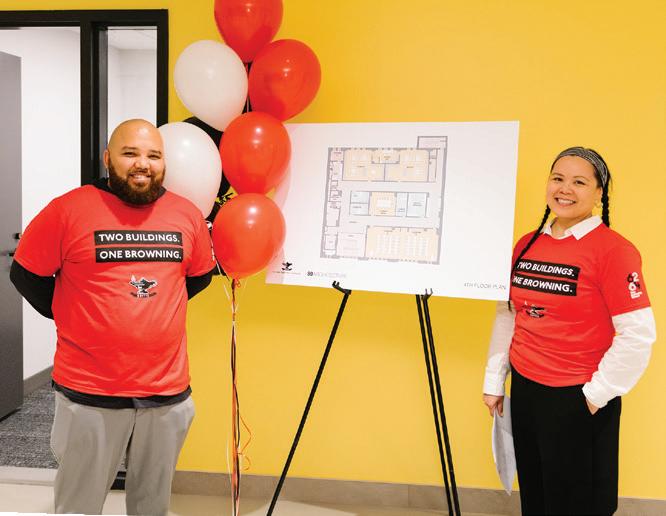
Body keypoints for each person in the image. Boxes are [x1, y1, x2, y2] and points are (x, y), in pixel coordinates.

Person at [10, 119, 216, 515]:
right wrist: (72, 313)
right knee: (79, 506)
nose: (143, 163)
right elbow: (25, 274)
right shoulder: (68, 210)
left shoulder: (186, 214)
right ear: (108, 158)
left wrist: (150, 313)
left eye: (153, 155)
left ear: (164, 162)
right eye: (130, 153)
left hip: (166, 393)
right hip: (90, 391)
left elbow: (197, 278)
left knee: (152, 506)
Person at [482, 147, 656, 515]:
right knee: (537, 496)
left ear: (599, 193)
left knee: (578, 504)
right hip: (526, 390)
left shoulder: (615, 251)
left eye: (579, 182)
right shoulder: (527, 244)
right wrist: (494, 380)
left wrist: (595, 395)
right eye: (558, 178)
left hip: (577, 396)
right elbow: (508, 313)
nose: (565, 189)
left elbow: (638, 334)